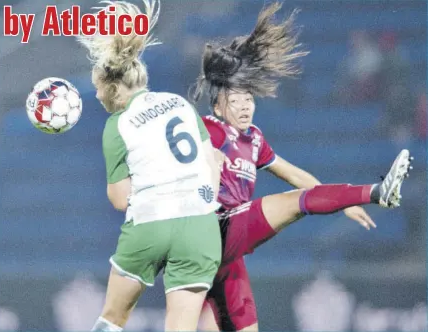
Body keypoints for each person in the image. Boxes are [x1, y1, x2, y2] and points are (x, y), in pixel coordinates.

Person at [187, 3, 413, 331]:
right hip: (213, 231)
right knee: (293, 202)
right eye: (238, 99)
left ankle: (366, 195)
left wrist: (343, 205)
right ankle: (377, 192)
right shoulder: (210, 129)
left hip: (230, 257)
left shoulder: (254, 139)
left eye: (250, 98)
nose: (247, 105)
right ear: (219, 104)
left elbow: (296, 175)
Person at [77, 1, 225, 331]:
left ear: (115, 87)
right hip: (200, 225)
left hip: (152, 223)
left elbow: (119, 198)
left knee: (113, 317)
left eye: (100, 89)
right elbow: (211, 162)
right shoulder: (180, 104)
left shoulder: (118, 124)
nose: (99, 96)